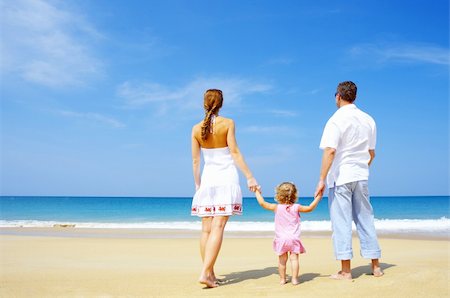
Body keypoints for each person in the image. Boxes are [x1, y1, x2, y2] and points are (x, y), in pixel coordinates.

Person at [314, 81, 383, 280]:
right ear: (354, 96)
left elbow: (330, 150)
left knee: (341, 223)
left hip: (341, 177)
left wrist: (321, 179)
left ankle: (346, 271)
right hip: (361, 175)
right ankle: (376, 266)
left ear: (338, 96)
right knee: (365, 219)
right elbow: (372, 153)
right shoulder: (368, 119)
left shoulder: (335, 119)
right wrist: (361, 168)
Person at [191, 89, 259, 288]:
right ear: (221, 103)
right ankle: (205, 273)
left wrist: (197, 184)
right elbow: (235, 152)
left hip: (207, 180)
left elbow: (196, 161)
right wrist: (250, 176)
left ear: (204, 103)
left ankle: (209, 273)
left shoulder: (195, 129)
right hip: (225, 178)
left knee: (206, 230)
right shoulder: (228, 123)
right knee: (218, 227)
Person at [254, 182, 322, 285]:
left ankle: (282, 279)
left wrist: (257, 192)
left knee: (282, 261)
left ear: (278, 195)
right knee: (294, 259)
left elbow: (263, 203)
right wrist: (318, 197)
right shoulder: (296, 207)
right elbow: (309, 208)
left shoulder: (276, 207)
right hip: (294, 239)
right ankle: (294, 279)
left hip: (281, 239)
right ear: (294, 195)